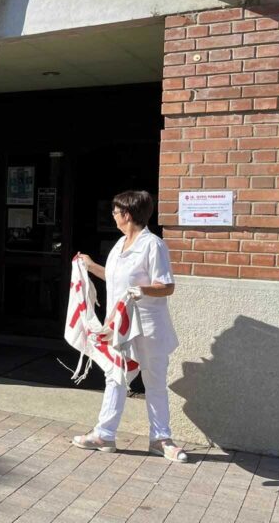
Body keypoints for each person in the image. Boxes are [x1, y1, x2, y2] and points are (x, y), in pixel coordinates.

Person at [73, 190, 187, 463]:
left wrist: (141, 290)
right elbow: (115, 280)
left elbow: (167, 286)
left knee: (154, 381)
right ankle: (104, 434)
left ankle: (161, 439)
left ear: (127, 214)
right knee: (115, 377)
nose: (113, 216)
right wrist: (90, 266)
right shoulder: (119, 245)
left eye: (115, 212)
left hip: (147, 327)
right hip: (120, 328)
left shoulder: (153, 245)